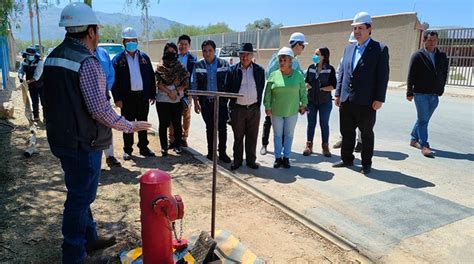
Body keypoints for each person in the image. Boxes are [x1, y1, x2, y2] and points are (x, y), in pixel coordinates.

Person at [42, 3, 151, 263]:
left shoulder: (54, 56)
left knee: (79, 190)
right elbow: (100, 109)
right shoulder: (87, 61)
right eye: (97, 30)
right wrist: (129, 125)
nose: (98, 35)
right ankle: (73, 254)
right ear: (90, 31)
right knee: (80, 198)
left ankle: (89, 238)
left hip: (62, 138)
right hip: (82, 141)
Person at [333, 12, 389, 175]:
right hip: (347, 99)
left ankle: (366, 163)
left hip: (367, 101)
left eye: (361, 28)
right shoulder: (349, 48)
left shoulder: (379, 49)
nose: (357, 31)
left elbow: (383, 76)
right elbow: (343, 72)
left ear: (369, 29)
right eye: (355, 28)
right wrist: (338, 94)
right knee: (347, 132)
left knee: (366, 134)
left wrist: (379, 98)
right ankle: (346, 159)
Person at [111, 27, 156, 161]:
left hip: (142, 97)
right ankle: (128, 150)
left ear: (137, 41)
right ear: (123, 42)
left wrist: (152, 94)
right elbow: (113, 81)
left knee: (142, 123)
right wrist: (117, 98)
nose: (132, 43)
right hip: (126, 98)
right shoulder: (118, 60)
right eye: (129, 40)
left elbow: (151, 77)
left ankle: (143, 147)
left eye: (134, 40)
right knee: (127, 124)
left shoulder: (144, 58)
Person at [260, 32, 308, 155]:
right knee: (269, 121)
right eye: (303, 46)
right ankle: (264, 145)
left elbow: (299, 77)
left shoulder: (295, 62)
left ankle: (281, 150)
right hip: (276, 95)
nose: (303, 49)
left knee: (285, 127)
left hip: (288, 100)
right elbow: (268, 74)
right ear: (298, 45)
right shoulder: (277, 56)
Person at [407, 30, 448, 158]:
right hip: (420, 93)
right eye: (429, 40)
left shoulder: (441, 56)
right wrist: (409, 91)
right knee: (424, 120)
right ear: (424, 40)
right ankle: (424, 145)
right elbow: (411, 75)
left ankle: (414, 139)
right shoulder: (417, 55)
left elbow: (444, 72)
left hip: (435, 94)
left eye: (434, 40)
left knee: (423, 119)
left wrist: (441, 87)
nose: (432, 43)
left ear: (437, 41)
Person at [226, 43, 265, 170]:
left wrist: (257, 105)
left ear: (252, 55)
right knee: (238, 137)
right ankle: (237, 161)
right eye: (242, 54)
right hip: (238, 109)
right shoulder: (232, 70)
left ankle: (250, 161)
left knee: (252, 136)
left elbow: (260, 88)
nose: (245, 57)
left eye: (248, 54)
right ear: (239, 55)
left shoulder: (259, 70)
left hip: (254, 108)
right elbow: (228, 89)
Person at [192, 40, 231, 163]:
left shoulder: (224, 64)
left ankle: (222, 152)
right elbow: (194, 84)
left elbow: (230, 82)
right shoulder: (198, 65)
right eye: (204, 51)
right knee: (210, 128)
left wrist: (229, 101)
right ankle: (211, 152)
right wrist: (195, 101)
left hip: (221, 103)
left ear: (215, 51)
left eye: (210, 50)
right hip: (206, 103)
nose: (207, 53)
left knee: (222, 128)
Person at [155, 42, 189, 156]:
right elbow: (158, 82)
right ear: (165, 52)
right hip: (162, 99)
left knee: (176, 123)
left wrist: (176, 91)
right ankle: (164, 147)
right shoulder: (160, 66)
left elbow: (186, 82)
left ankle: (177, 145)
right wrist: (169, 92)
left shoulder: (180, 67)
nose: (171, 54)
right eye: (168, 52)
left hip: (176, 99)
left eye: (173, 52)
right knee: (163, 124)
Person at [303, 47, 336, 157]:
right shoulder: (311, 68)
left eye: (317, 54)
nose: (315, 56)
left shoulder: (330, 69)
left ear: (324, 56)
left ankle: (325, 146)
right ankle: (309, 146)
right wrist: (307, 85)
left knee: (324, 123)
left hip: (325, 102)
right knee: (311, 123)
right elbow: (306, 82)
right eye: (314, 53)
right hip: (311, 101)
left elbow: (333, 85)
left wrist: (322, 89)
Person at [333, 32, 363, 152]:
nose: (353, 45)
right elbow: (339, 73)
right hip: (346, 96)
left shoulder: (364, 56)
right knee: (346, 124)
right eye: (351, 43)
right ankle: (344, 141)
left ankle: (360, 142)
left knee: (361, 123)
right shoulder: (345, 57)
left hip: (360, 97)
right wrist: (338, 93)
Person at [168, 34, 197, 148]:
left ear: (189, 46)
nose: (183, 46)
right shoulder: (173, 57)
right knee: (173, 116)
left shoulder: (193, 59)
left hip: (186, 92)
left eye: (186, 44)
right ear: (178, 45)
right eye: (181, 44)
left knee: (186, 116)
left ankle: (184, 138)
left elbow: (194, 76)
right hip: (173, 92)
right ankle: (172, 138)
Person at [95, 46, 121, 167]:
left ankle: (110, 156)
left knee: (106, 125)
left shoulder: (102, 53)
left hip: (104, 95)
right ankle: (95, 161)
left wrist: (106, 89)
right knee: (90, 130)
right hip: (86, 97)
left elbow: (111, 73)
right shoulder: (80, 53)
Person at [18, 47, 44, 122]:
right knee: (34, 101)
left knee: (44, 102)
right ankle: (36, 117)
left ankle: (46, 118)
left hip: (41, 84)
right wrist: (20, 77)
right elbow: (21, 71)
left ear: (35, 55)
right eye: (28, 54)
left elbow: (37, 76)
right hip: (32, 86)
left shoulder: (40, 62)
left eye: (32, 54)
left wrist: (27, 82)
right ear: (26, 55)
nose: (30, 56)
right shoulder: (24, 62)